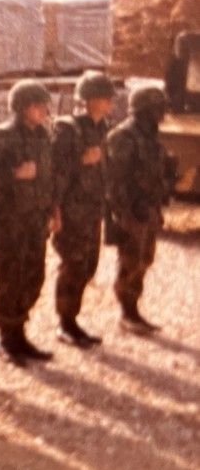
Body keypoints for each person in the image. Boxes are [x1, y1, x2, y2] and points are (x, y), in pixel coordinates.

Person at [0, 79, 60, 366]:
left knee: (33, 276)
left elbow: (49, 177)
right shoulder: (3, 137)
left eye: (43, 105)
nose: (42, 110)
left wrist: (54, 211)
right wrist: (13, 175)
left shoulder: (43, 135)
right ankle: (7, 338)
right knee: (10, 278)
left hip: (35, 220)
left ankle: (19, 332)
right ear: (21, 107)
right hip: (10, 221)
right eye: (37, 105)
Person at [52, 71, 116, 347]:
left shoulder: (103, 129)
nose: (107, 101)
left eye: (107, 97)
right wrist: (81, 161)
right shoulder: (69, 128)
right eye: (101, 97)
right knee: (73, 266)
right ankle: (65, 323)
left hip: (92, 211)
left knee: (88, 265)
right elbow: (55, 170)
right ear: (87, 100)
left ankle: (72, 320)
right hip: (71, 211)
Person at [106, 85, 174, 334]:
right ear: (144, 110)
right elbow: (115, 180)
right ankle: (127, 312)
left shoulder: (150, 136)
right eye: (157, 109)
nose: (162, 114)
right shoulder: (123, 136)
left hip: (149, 208)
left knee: (145, 259)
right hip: (132, 212)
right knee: (131, 260)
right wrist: (127, 210)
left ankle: (133, 308)